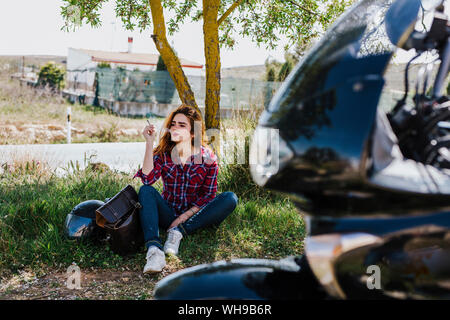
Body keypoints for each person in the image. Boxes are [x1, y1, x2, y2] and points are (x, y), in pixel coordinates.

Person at [133, 104, 239, 274]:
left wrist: (183, 218)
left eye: (182, 125)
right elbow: (147, 179)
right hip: (167, 212)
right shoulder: (163, 154)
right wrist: (149, 143)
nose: (175, 127)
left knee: (230, 198)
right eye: (173, 124)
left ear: (193, 133)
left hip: (194, 215)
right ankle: (154, 250)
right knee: (146, 191)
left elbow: (209, 195)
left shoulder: (207, 158)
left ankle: (178, 232)